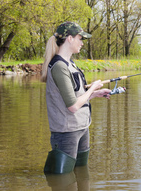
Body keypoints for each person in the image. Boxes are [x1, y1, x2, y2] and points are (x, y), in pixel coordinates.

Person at [41, 21, 111, 174]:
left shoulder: (71, 64)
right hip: (66, 132)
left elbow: (76, 95)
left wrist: (94, 94)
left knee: (82, 175)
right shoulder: (59, 66)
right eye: (80, 39)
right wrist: (92, 87)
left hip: (82, 127)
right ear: (70, 39)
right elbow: (72, 105)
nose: (82, 43)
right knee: (63, 180)